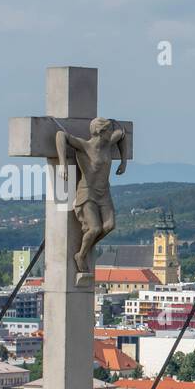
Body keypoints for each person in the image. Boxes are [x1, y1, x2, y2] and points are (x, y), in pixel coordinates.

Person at [56, 117, 128, 276]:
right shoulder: (85, 146)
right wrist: (63, 164)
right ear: (100, 132)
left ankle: (86, 246)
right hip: (87, 192)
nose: (111, 133)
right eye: (108, 130)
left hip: (104, 193)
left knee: (109, 226)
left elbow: (122, 133)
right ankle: (80, 255)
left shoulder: (108, 143)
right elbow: (61, 135)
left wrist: (124, 161)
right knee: (95, 228)